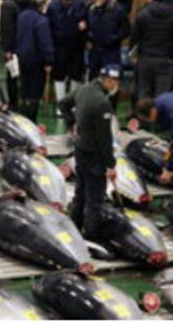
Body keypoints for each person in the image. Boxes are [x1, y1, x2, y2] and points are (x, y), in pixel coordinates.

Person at [59, 65, 120, 239]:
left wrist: (72, 123)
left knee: (80, 193)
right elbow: (104, 139)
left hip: (80, 150)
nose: (116, 86)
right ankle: (92, 237)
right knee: (94, 200)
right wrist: (111, 165)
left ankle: (74, 228)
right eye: (116, 82)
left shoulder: (83, 89)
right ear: (109, 81)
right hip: (95, 156)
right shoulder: (103, 103)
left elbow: (63, 103)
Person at [131, 0, 173, 100]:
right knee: (163, 95)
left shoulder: (142, 14)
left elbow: (134, 37)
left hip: (146, 58)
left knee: (144, 92)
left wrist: (136, 54)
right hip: (166, 60)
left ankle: (144, 112)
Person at [47, 0, 88, 109]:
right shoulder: (53, 6)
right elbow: (49, 28)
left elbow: (86, 19)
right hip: (59, 46)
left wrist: (84, 26)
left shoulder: (80, 4)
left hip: (77, 45)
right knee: (59, 74)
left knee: (76, 74)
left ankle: (72, 103)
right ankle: (61, 104)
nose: (67, 1)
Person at [16, 0, 54, 122]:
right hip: (37, 61)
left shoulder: (22, 16)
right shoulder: (42, 21)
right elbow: (45, 43)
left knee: (24, 91)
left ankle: (23, 119)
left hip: (22, 59)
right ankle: (31, 120)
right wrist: (49, 61)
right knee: (35, 93)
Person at [0, 0, 31, 110]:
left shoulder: (7, 4)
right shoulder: (30, 1)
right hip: (29, 44)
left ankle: (13, 103)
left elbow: (7, 28)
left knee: (12, 75)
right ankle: (27, 101)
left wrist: (7, 49)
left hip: (13, 46)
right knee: (27, 74)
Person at [86, 0, 130, 80]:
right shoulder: (91, 9)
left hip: (111, 51)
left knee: (111, 77)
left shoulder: (117, 10)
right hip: (95, 50)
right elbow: (87, 26)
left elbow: (126, 30)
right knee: (93, 78)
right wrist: (90, 35)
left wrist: (113, 38)